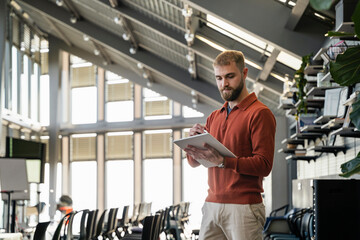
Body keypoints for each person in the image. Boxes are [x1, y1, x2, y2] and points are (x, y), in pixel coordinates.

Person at [184, 50, 276, 240]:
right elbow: (194, 163)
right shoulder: (214, 117)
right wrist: (192, 145)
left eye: (229, 76)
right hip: (211, 205)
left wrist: (225, 162)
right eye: (219, 78)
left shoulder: (259, 113)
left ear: (244, 73)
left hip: (244, 208)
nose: (223, 84)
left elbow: (264, 165)